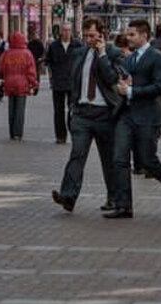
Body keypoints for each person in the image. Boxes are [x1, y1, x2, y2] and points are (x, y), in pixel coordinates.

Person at [104, 19, 161, 220]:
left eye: (132, 35)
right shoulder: (128, 59)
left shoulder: (156, 57)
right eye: (128, 35)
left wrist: (131, 90)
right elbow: (122, 81)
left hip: (147, 116)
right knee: (119, 160)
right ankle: (123, 206)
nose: (128, 38)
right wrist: (122, 86)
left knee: (149, 161)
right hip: (126, 115)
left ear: (144, 35)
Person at [53, 18, 121, 213]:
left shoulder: (114, 54)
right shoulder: (79, 54)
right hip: (82, 114)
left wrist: (102, 55)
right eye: (85, 36)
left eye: (92, 35)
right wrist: (73, 107)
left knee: (108, 159)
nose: (88, 39)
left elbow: (112, 78)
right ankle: (68, 196)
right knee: (77, 155)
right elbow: (74, 81)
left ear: (102, 34)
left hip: (104, 114)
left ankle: (113, 198)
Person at [44, 24, 83, 144]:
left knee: (73, 110)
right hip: (58, 82)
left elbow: (82, 61)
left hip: (73, 82)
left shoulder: (77, 45)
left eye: (68, 30)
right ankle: (60, 136)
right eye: (64, 30)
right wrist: (52, 74)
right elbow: (48, 61)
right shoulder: (54, 45)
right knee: (58, 110)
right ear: (61, 32)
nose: (66, 33)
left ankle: (73, 133)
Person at [0, 32, 39, 140]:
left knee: (11, 108)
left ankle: (11, 131)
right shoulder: (27, 54)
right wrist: (34, 84)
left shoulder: (6, 54)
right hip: (22, 83)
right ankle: (18, 132)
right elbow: (31, 71)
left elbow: (1, 69)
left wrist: (3, 79)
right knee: (20, 109)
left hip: (9, 82)